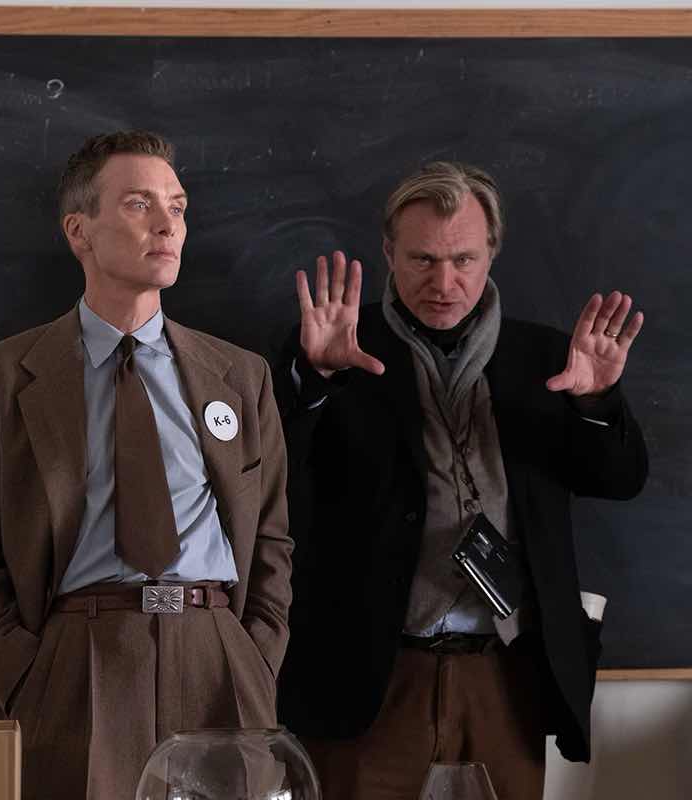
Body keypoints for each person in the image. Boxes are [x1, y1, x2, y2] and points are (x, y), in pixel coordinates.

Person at [0, 130, 292, 800]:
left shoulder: (240, 376)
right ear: (80, 231)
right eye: (138, 204)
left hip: (217, 657)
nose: (167, 224)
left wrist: (255, 655)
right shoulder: (0, 376)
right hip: (76, 660)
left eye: (177, 206)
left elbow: (271, 534)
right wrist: (21, 669)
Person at [274, 161, 648, 800]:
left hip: (507, 677)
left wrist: (596, 403)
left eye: (464, 260)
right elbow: (273, 485)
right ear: (389, 252)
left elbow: (619, 482)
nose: (444, 283)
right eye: (422, 259)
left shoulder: (552, 358)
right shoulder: (336, 346)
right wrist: (316, 382)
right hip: (369, 675)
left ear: (492, 252)